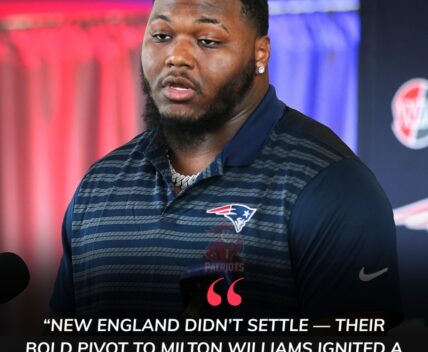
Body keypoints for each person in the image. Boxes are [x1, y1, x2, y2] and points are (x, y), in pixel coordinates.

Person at [50, 0, 402, 324]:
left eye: (207, 40)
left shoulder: (332, 186)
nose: (176, 56)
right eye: (161, 36)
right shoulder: (100, 184)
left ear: (260, 53)